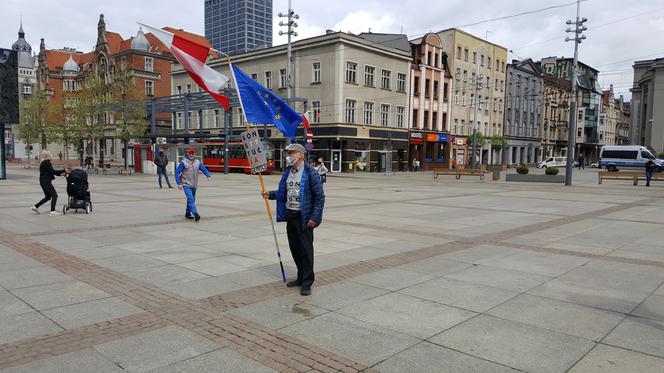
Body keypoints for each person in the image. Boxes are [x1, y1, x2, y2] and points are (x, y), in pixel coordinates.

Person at [262, 143, 325, 296]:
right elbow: (284, 193)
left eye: (292, 153)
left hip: (304, 218)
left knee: (306, 250)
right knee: (295, 249)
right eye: (288, 153)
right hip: (291, 215)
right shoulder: (288, 172)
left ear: (301, 155)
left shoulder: (311, 173)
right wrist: (270, 194)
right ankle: (300, 277)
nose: (289, 156)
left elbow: (319, 198)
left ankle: (307, 282)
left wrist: (314, 218)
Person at [175, 148, 211, 222]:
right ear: (187, 154)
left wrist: (208, 175)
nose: (191, 155)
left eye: (192, 153)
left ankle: (187, 213)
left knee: (191, 199)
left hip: (194, 185)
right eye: (189, 153)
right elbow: (177, 172)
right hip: (186, 184)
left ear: (195, 154)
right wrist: (179, 183)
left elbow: (203, 169)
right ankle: (195, 214)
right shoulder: (183, 163)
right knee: (191, 199)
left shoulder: (197, 162)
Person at [32, 150, 70, 216]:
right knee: (54, 196)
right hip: (46, 182)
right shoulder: (47, 162)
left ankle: (35, 207)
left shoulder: (44, 162)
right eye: (51, 154)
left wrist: (62, 173)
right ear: (48, 156)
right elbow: (53, 171)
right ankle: (52, 211)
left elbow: (51, 172)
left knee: (48, 197)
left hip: (43, 181)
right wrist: (64, 170)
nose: (52, 155)